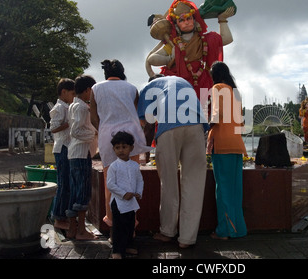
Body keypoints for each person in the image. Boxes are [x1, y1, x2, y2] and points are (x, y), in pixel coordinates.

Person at [137, 75, 209, 248]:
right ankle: (187, 239)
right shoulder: (184, 82)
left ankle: (167, 232)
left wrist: (145, 152)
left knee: (168, 182)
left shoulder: (150, 87)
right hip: (197, 126)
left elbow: (146, 124)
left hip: (169, 128)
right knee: (193, 184)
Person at [90, 59, 152, 229]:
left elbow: (93, 118)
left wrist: (103, 130)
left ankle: (112, 223)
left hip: (107, 138)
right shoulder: (132, 88)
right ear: (122, 73)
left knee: (110, 180)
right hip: (130, 139)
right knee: (130, 179)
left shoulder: (96, 89)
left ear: (106, 73)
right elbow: (141, 116)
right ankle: (130, 226)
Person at [146, 0, 234, 99]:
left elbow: (227, 39)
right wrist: (170, 58)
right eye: (181, 20)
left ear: (194, 19)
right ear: (176, 24)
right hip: (178, 85)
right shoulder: (174, 45)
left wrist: (222, 20)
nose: (186, 22)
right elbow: (151, 59)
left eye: (189, 18)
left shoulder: (204, 40)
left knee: (205, 111)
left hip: (202, 82)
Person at [206, 62, 247, 240]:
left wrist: (205, 127)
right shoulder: (235, 92)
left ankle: (224, 231)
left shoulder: (217, 88)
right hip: (237, 144)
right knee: (236, 190)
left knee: (222, 189)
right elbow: (242, 122)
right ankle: (239, 229)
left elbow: (216, 114)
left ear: (215, 75)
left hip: (222, 145)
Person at [66, 75, 98, 240]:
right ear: (87, 90)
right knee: (82, 192)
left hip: (74, 153)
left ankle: (72, 229)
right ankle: (81, 231)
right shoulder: (81, 108)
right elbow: (76, 131)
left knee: (75, 191)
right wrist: (95, 133)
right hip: (81, 153)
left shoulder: (74, 105)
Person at [106, 131, 143, 259]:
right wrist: (123, 194)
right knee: (118, 227)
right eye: (117, 148)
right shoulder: (113, 166)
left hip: (131, 202)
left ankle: (128, 246)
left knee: (129, 225)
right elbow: (110, 185)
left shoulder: (134, 165)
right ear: (114, 149)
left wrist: (138, 192)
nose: (121, 150)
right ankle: (116, 250)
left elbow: (140, 180)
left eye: (124, 147)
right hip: (118, 202)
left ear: (131, 148)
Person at [49, 78, 76, 230]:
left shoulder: (68, 106)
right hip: (62, 147)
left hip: (68, 146)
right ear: (64, 92)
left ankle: (62, 215)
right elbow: (53, 128)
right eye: (72, 93)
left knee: (67, 183)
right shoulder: (59, 108)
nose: (74, 96)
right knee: (63, 183)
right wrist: (70, 123)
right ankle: (58, 217)